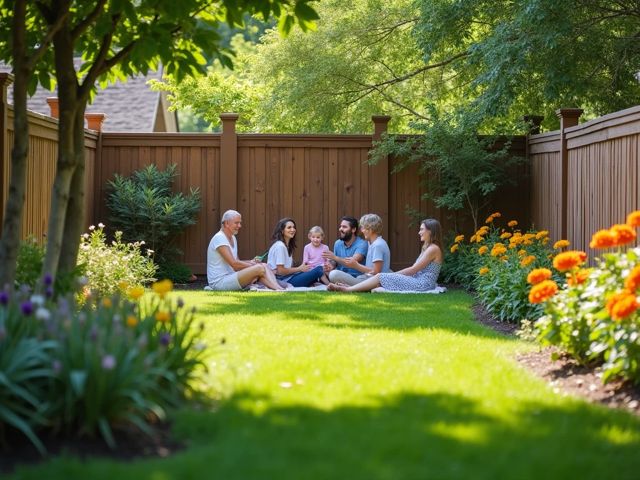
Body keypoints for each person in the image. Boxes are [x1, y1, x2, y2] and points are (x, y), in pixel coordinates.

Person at [328, 218, 443, 293]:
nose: (419, 232)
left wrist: (392, 276)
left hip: (422, 284)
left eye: (422, 229)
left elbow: (413, 270)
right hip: (416, 280)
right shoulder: (427, 248)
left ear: (430, 231)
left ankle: (348, 289)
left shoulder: (433, 249)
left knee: (380, 277)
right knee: (379, 279)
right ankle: (350, 287)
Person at [206, 210, 284, 291]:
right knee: (259, 268)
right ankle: (278, 289)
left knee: (263, 265)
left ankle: (278, 288)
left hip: (231, 276)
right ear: (226, 223)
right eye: (236, 223)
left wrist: (251, 262)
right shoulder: (219, 238)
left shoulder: (232, 238)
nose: (239, 226)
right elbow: (234, 264)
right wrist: (254, 266)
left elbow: (237, 261)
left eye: (240, 223)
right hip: (219, 282)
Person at [328, 213, 392, 286]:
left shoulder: (377, 245)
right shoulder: (371, 243)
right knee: (333, 273)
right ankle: (350, 286)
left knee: (334, 274)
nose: (361, 230)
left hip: (374, 281)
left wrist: (356, 265)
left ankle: (351, 287)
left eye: (363, 228)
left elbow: (376, 272)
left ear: (370, 229)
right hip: (366, 278)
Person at [267, 218, 324, 287]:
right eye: (289, 227)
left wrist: (301, 269)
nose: (293, 229)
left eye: (294, 227)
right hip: (283, 280)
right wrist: (299, 269)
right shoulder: (280, 246)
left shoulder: (286, 246)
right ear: (282, 231)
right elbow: (280, 271)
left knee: (314, 271)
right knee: (319, 270)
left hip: (288, 277)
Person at [322, 216, 369, 282]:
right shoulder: (338, 243)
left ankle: (345, 286)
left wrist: (335, 257)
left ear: (353, 230)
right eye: (341, 226)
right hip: (341, 275)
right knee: (321, 270)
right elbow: (335, 262)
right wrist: (330, 265)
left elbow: (351, 263)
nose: (340, 229)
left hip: (357, 277)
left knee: (334, 274)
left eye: (344, 227)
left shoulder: (362, 244)